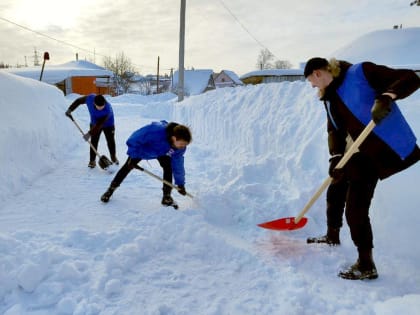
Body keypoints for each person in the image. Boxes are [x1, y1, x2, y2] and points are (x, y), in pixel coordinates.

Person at [304, 57, 420, 280]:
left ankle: (366, 264)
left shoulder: (361, 73)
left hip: (376, 151)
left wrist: (387, 97)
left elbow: (410, 77)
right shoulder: (329, 98)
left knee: (356, 209)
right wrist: (336, 158)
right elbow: (334, 131)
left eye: (311, 80)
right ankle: (332, 235)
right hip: (353, 153)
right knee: (335, 191)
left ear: (318, 73)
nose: (312, 86)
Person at [100, 120, 192, 208]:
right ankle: (110, 190)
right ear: (174, 137)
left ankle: (167, 197)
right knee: (127, 167)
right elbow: (134, 139)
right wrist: (133, 155)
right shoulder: (155, 131)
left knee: (168, 168)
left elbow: (178, 165)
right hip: (142, 149)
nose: (183, 147)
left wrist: (180, 184)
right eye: (182, 144)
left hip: (163, 152)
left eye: (185, 145)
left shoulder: (180, 148)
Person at [65, 94, 119, 168]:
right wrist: (70, 109)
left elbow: (99, 124)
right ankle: (92, 161)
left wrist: (89, 134)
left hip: (108, 124)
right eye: (99, 106)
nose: (101, 108)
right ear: (94, 103)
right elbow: (78, 101)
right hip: (94, 123)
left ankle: (113, 157)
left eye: (102, 106)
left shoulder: (107, 109)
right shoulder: (90, 99)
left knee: (110, 140)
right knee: (94, 141)